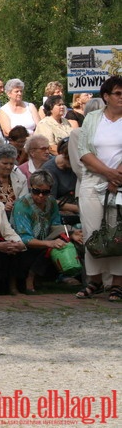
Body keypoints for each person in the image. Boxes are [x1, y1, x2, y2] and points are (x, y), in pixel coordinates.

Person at [75, 76, 122, 301]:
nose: (121, 98)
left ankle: (117, 283)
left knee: (117, 232)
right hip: (93, 180)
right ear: (106, 96)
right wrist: (108, 173)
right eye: (118, 94)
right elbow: (84, 151)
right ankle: (93, 280)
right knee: (92, 231)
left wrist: (116, 176)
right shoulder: (93, 118)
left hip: (120, 184)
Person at [12, 171, 82, 293]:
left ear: (50, 190)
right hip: (22, 244)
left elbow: (55, 225)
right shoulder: (22, 205)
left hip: (45, 238)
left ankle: (76, 275)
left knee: (69, 241)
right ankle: (31, 277)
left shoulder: (52, 202)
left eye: (45, 192)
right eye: (36, 191)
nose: (40, 196)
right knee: (50, 245)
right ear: (30, 188)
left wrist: (71, 233)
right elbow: (24, 238)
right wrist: (49, 243)